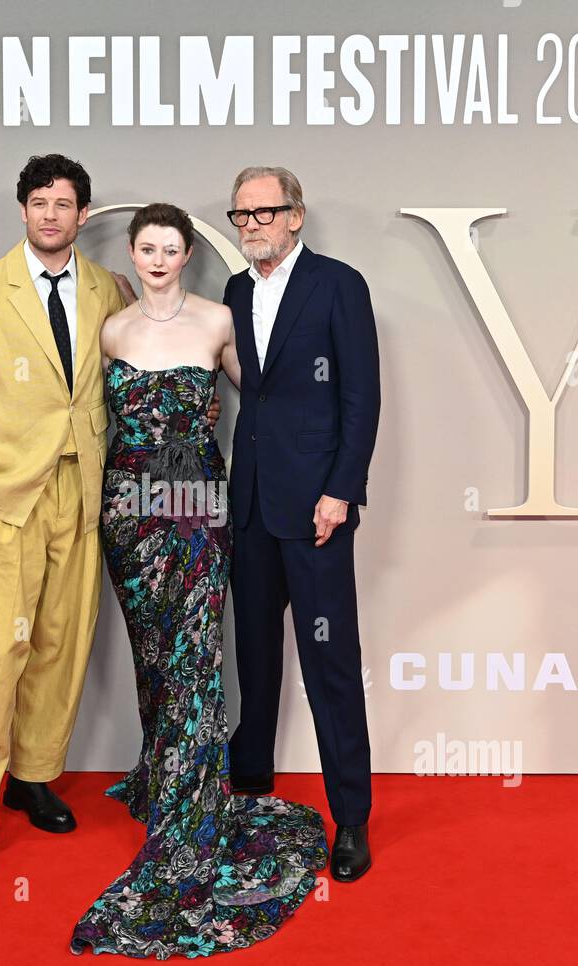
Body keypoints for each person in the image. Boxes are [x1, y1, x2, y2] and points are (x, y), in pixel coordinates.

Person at [0, 156, 220, 885]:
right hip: (10, 497)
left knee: (60, 646)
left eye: (65, 204)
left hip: (91, 496)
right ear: (23, 211)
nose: (52, 215)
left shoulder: (109, 292)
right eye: (40, 203)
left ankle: (33, 777)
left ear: (85, 216)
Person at [68, 203, 328, 959]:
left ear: (187, 254)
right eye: (145, 248)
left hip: (195, 506)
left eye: (170, 247)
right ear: (132, 252)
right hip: (128, 510)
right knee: (155, 657)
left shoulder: (219, 321)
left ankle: (191, 810)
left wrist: (315, 460)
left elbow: (268, 398)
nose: (157, 258)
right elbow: (89, 418)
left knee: (194, 661)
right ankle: (163, 776)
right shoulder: (111, 329)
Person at [222, 166, 381, 881]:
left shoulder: (339, 284)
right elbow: (254, 392)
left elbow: (362, 398)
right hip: (251, 504)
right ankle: (250, 787)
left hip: (316, 506)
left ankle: (350, 819)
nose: (252, 224)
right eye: (241, 215)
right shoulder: (234, 290)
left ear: (296, 216)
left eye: (265, 212)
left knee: (330, 665)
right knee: (253, 657)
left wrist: (341, 491)